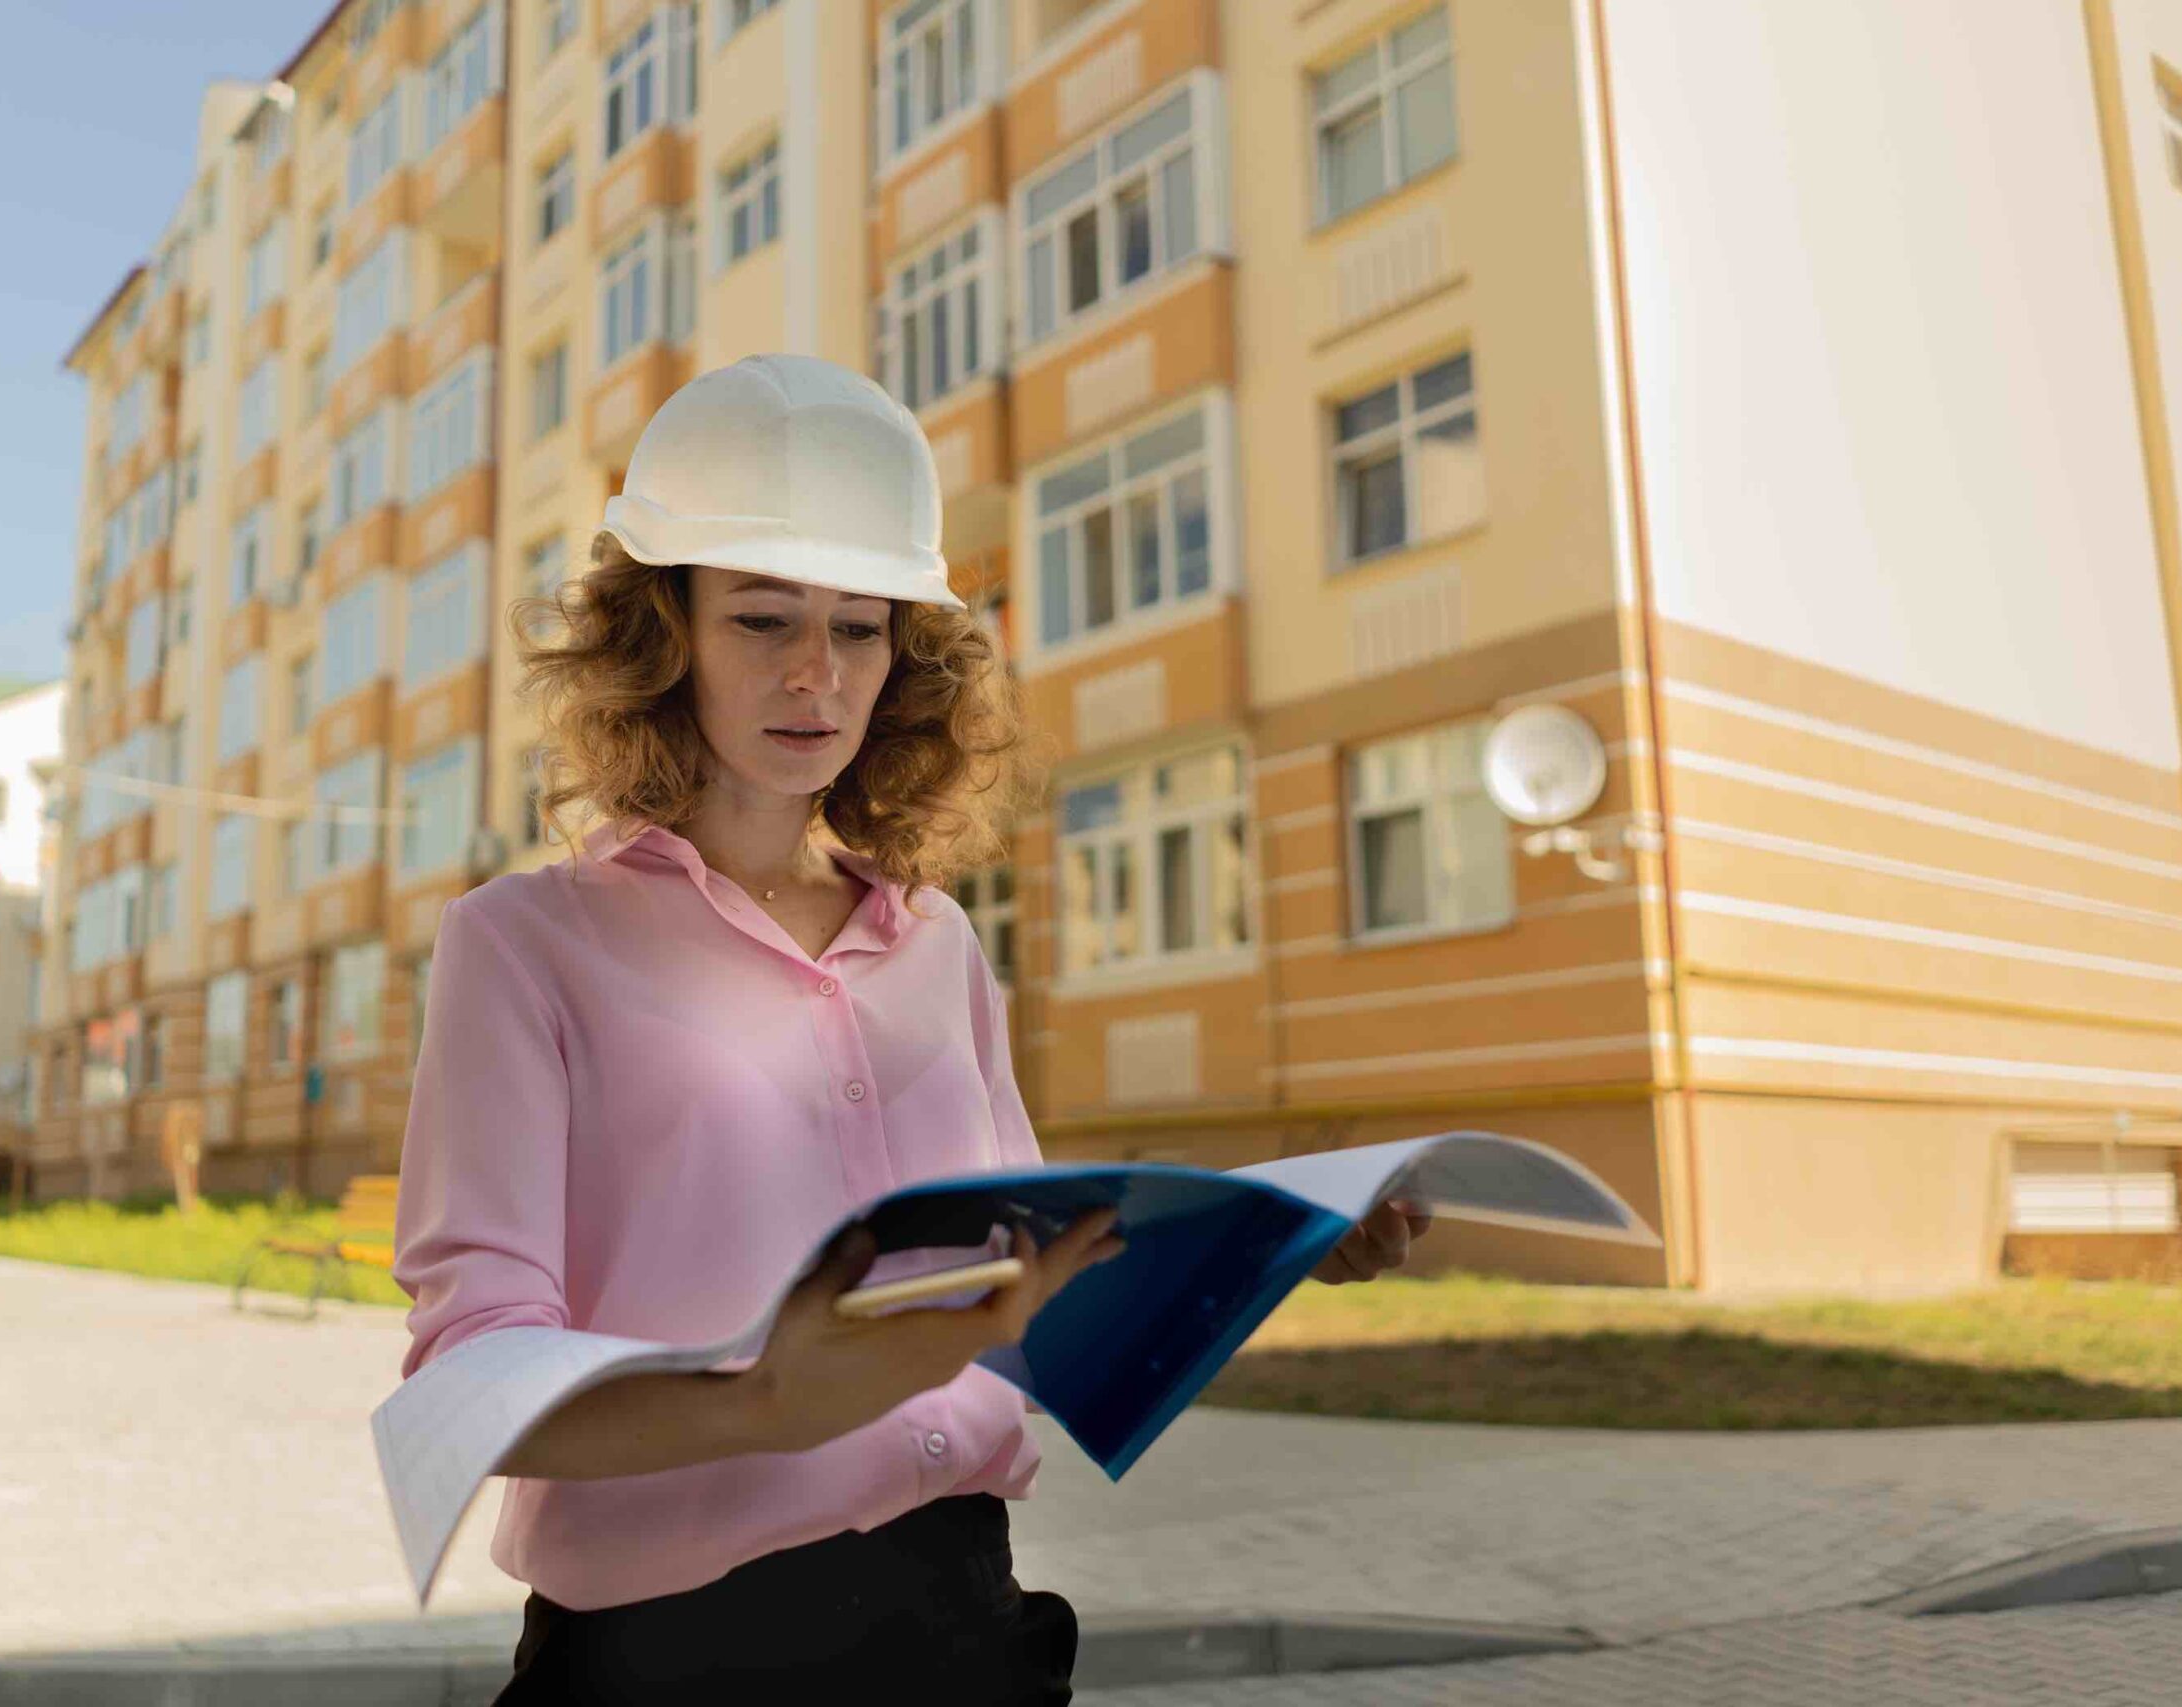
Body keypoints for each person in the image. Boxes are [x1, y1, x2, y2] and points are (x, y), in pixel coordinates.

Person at [391, 353, 1431, 1704]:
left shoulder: (937, 943)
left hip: (968, 1625)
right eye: (764, 620)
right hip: (675, 1665)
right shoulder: (523, 949)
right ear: (666, 639)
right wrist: (767, 1405)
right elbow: (476, 1375)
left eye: (863, 627)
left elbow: (1028, 1287)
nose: (818, 673)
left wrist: (1263, 1253)